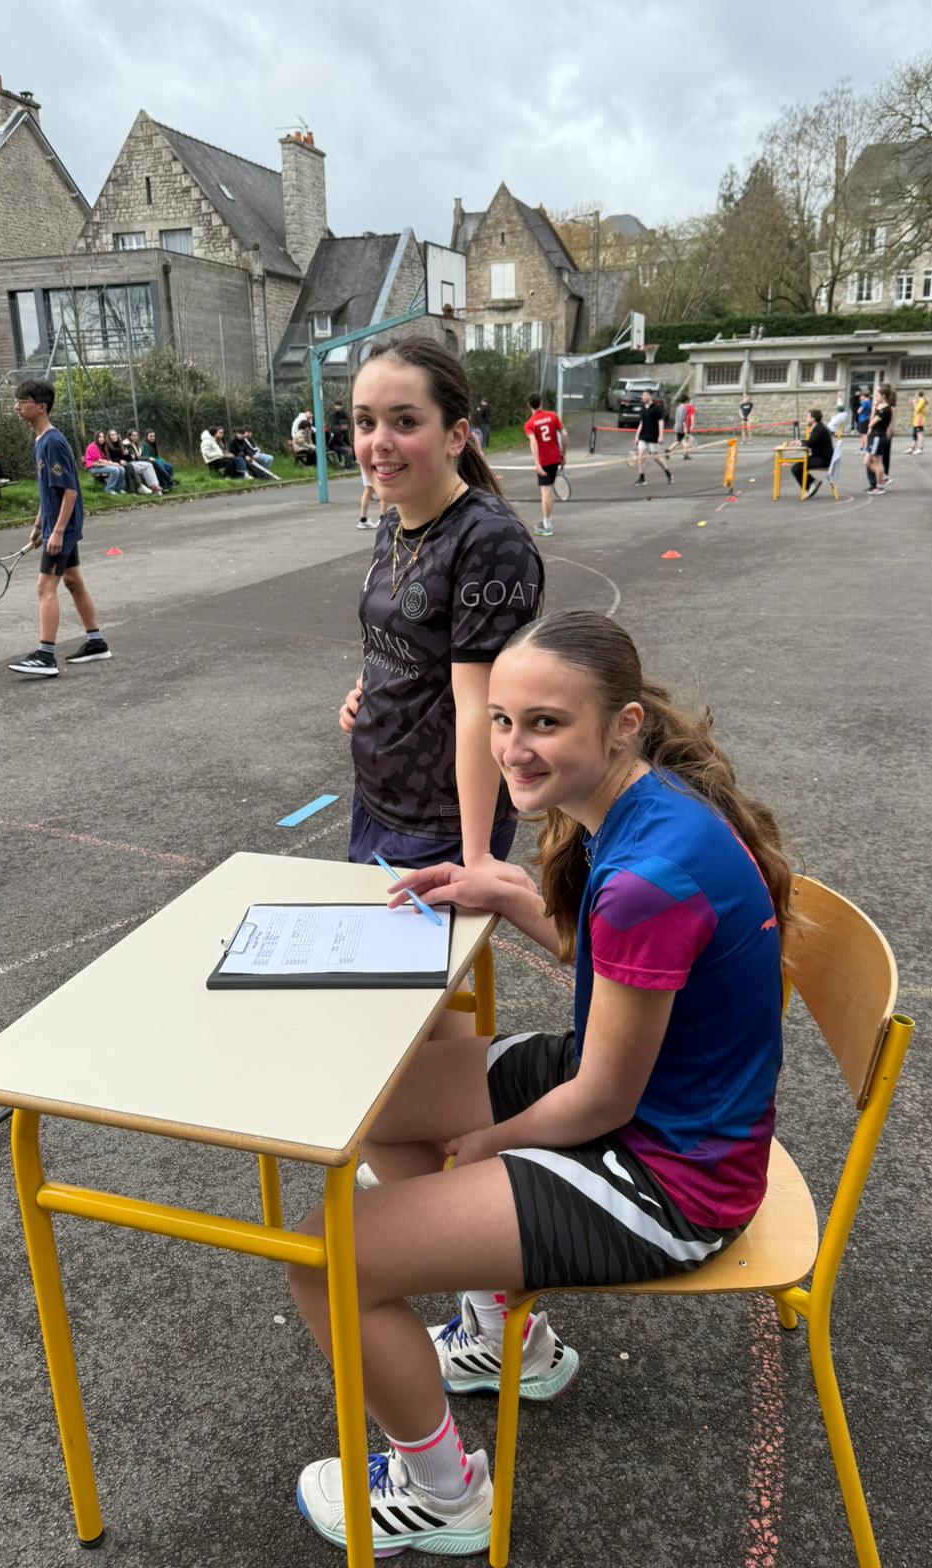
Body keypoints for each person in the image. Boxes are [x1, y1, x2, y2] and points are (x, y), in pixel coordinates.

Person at [292, 608, 790, 1558]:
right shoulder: (644, 804)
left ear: (623, 724)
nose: (513, 749)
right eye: (501, 720)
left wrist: (487, 1147)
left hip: (672, 1177)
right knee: (376, 1096)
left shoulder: (647, 872)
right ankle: (499, 1334)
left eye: (545, 724)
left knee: (323, 1259)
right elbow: (624, 967)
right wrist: (510, 896)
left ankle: (441, 1495)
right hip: (654, 1099)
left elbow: (601, 1101)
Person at [338, 334, 543, 882]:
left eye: (405, 422)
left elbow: (483, 707)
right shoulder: (393, 522)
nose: (379, 442)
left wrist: (476, 857)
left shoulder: (489, 541)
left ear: (456, 436)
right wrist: (367, 686)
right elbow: (399, 633)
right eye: (365, 422)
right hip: (377, 797)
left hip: (441, 821)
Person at [8, 379, 112, 678]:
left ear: (41, 407)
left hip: (63, 527)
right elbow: (49, 491)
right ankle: (96, 642)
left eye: (22, 402)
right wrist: (40, 523)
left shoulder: (53, 442)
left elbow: (70, 491)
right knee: (73, 580)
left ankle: (45, 656)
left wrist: (57, 531)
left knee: (45, 587)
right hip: (57, 524)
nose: (16, 407)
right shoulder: (40, 440)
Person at [523, 391, 567, 534]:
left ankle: (547, 526)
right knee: (549, 491)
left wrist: (537, 464)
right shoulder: (553, 416)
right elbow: (564, 433)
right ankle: (547, 521)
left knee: (546, 491)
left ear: (529, 405)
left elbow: (533, 442)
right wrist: (563, 454)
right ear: (541, 402)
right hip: (555, 458)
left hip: (544, 462)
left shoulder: (529, 424)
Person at [631, 388, 671, 489]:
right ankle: (642, 478)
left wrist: (661, 436)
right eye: (643, 395)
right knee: (641, 455)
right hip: (643, 436)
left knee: (656, 457)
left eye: (645, 395)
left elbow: (661, 422)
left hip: (653, 436)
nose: (643, 397)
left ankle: (668, 473)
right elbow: (641, 423)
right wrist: (636, 436)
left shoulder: (657, 408)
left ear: (650, 396)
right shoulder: (643, 408)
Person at [790, 408, 835, 498]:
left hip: (823, 460)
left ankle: (810, 485)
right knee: (798, 466)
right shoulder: (819, 428)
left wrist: (800, 443)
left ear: (813, 419)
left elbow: (810, 443)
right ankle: (812, 483)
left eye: (807, 417)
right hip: (822, 457)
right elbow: (811, 441)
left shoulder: (819, 429)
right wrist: (800, 442)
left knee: (796, 468)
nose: (806, 419)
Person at [106, 428, 161, 494]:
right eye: (111, 435)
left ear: (117, 435)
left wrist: (127, 454)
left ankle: (155, 486)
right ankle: (139, 486)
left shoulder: (120, 444)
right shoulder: (108, 446)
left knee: (149, 465)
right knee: (130, 466)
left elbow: (128, 458)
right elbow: (110, 458)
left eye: (115, 434)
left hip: (128, 462)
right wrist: (120, 461)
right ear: (109, 437)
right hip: (120, 464)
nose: (114, 436)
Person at [864, 388, 891, 494]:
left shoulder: (886, 410)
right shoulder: (879, 408)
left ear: (883, 396)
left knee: (877, 462)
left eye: (878, 396)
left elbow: (871, 423)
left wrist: (874, 410)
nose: (876, 398)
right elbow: (871, 422)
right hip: (874, 437)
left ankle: (879, 486)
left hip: (878, 437)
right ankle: (882, 476)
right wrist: (874, 408)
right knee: (866, 461)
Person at [355, 463, 383, 531]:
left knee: (368, 490)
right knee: (383, 489)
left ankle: (363, 519)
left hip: (365, 464)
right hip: (376, 464)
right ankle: (382, 518)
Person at [328, 403, 356, 468]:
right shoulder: (337, 432)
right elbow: (340, 442)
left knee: (351, 447)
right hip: (335, 446)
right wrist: (347, 447)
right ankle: (347, 466)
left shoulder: (344, 431)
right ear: (341, 426)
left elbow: (346, 440)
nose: (347, 427)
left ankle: (352, 463)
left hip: (340, 445)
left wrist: (350, 445)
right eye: (346, 426)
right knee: (348, 450)